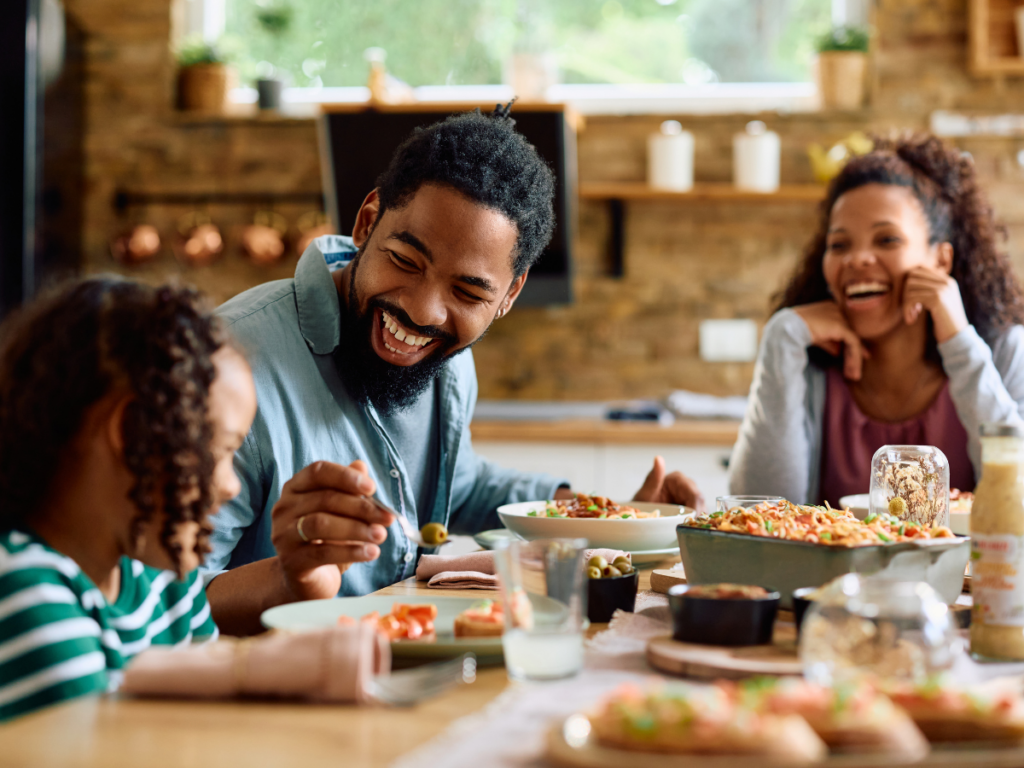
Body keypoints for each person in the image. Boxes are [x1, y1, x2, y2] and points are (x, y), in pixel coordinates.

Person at [204, 104, 704, 634]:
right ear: (368, 222)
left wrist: (606, 517)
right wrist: (293, 577)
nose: (423, 310)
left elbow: (456, 485)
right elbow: (163, 599)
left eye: (466, 291)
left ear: (508, 295)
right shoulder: (227, 367)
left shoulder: (449, 364)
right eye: (404, 260)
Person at [0, 279, 257, 720]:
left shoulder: (167, 581)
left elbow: (213, 725)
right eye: (220, 450)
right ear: (130, 429)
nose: (231, 485)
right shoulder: (27, 592)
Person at [729, 132, 1024, 506]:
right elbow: (759, 515)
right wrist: (782, 336)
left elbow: (1018, 501)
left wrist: (959, 342)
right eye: (839, 245)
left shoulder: (1002, 351)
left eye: (886, 240)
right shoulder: (809, 363)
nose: (856, 259)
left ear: (940, 260)